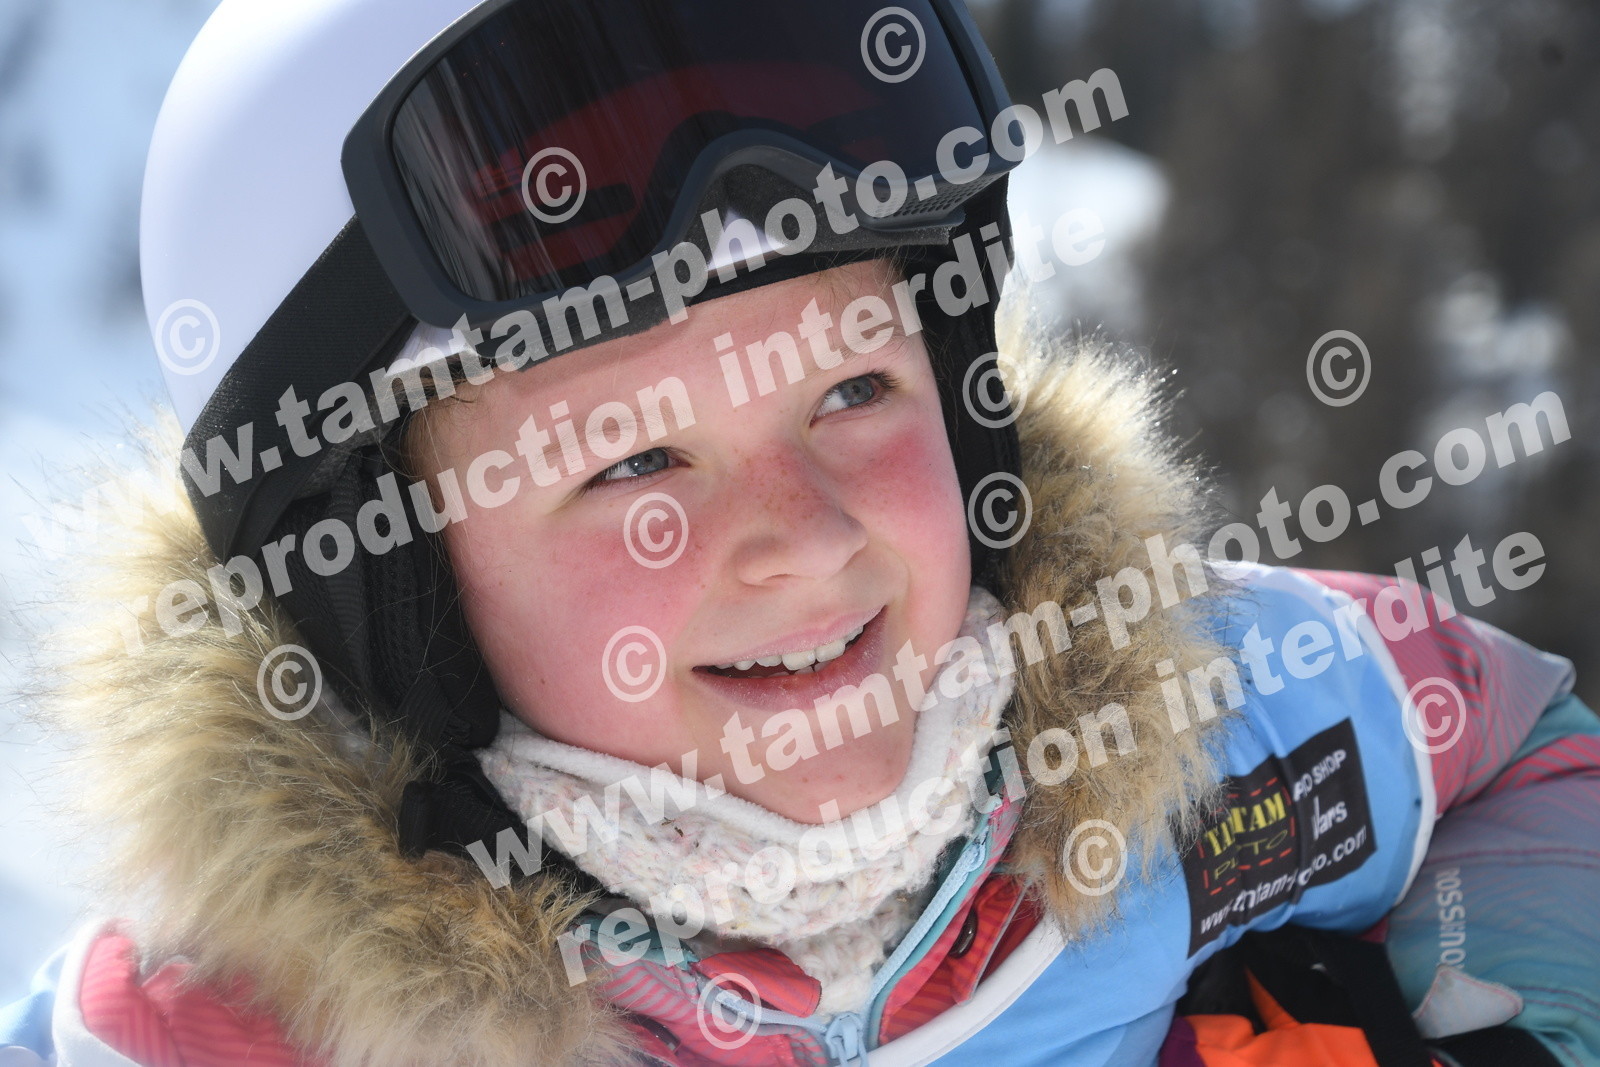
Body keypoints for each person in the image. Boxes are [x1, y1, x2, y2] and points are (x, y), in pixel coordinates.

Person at [3, 1, 1597, 1065]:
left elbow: (1532, 756)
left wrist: (1485, 1020)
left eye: (851, 389)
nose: (805, 540)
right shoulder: (224, 1026)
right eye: (633, 462)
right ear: (386, 585)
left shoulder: (1221, 718)